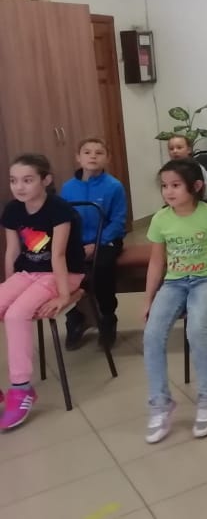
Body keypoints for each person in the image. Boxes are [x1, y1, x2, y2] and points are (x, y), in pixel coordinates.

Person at [142, 159, 207, 444]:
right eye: (164, 186)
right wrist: (148, 299)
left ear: (196, 186)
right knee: (152, 335)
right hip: (174, 282)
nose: (168, 192)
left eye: (175, 185)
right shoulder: (160, 219)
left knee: (196, 329)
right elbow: (156, 262)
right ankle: (160, 403)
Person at [0, 154, 86, 430]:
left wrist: (64, 295)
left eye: (27, 180)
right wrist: (10, 286)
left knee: (15, 316)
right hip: (28, 273)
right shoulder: (13, 210)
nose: (19, 187)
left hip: (63, 275)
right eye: (14, 180)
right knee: (5, 305)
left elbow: (58, 255)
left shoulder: (59, 209)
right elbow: (12, 252)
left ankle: (21, 389)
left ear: (46, 180)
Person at [62, 137, 128, 351]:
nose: (93, 156)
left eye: (99, 153)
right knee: (67, 267)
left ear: (107, 158)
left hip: (106, 240)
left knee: (102, 266)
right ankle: (76, 316)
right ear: (78, 158)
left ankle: (107, 317)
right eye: (87, 152)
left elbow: (118, 221)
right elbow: (63, 221)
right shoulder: (68, 188)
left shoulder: (114, 186)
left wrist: (97, 244)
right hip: (76, 243)